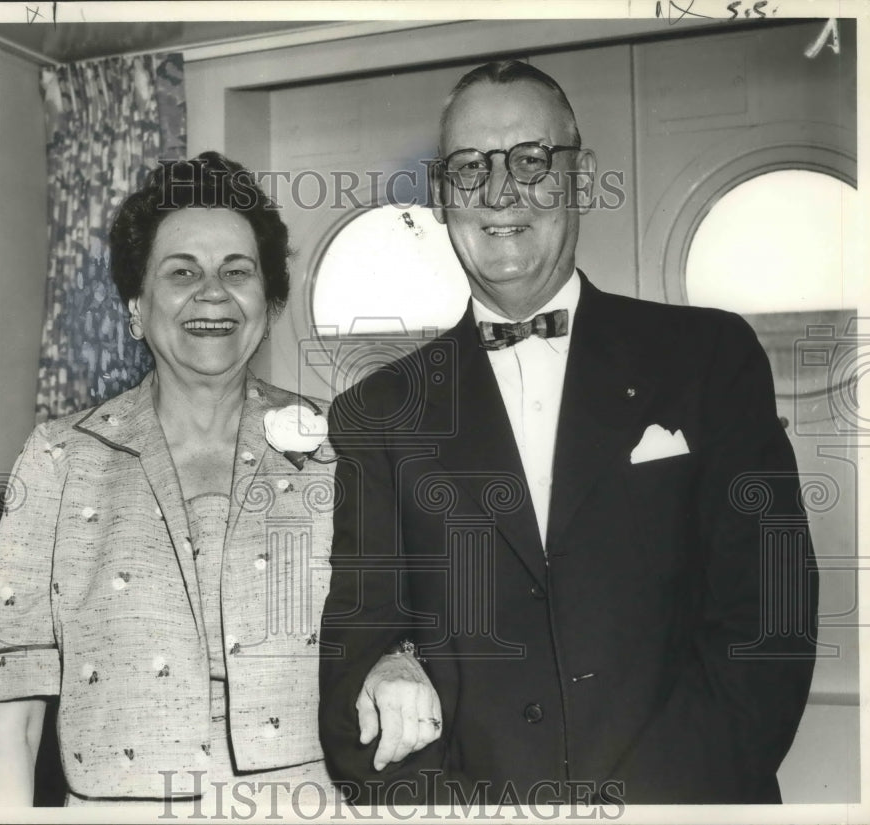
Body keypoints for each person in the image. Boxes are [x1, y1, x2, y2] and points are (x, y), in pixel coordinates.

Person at [319, 61, 818, 806]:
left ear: (579, 177)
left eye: (529, 160)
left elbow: (770, 614)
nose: (499, 193)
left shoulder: (709, 358)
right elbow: (356, 664)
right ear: (441, 193)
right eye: (469, 168)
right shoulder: (377, 412)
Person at [0, 152, 416, 808]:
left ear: (266, 302)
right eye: (182, 272)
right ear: (135, 306)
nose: (213, 291)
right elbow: (11, 725)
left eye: (237, 272)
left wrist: (401, 653)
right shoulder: (58, 459)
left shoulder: (339, 447)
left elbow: (399, 627)